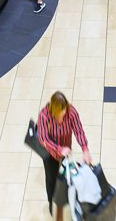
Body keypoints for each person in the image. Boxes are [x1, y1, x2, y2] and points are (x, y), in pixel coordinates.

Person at [35, 92, 92, 221]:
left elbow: (78, 130)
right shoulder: (44, 116)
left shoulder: (71, 112)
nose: (63, 114)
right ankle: (53, 207)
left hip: (66, 151)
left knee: (67, 178)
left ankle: (68, 204)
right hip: (49, 153)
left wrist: (85, 150)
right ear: (54, 109)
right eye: (60, 112)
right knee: (51, 180)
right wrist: (59, 149)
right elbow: (43, 139)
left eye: (64, 110)